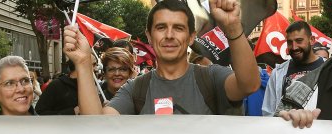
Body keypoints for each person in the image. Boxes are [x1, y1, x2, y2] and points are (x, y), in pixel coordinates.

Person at [64, 0, 260, 116]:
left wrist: (233, 27)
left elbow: (249, 85)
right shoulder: (135, 90)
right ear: (149, 36)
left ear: (191, 36)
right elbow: (97, 128)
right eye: (161, 27)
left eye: (178, 28)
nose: (169, 35)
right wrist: (82, 63)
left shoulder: (211, 77)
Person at [262, 21, 325, 117]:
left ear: (311, 40)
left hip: (322, 129)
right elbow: (268, 112)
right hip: (286, 130)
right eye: (290, 42)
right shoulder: (278, 73)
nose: (294, 47)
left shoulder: (329, 68)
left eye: (299, 41)